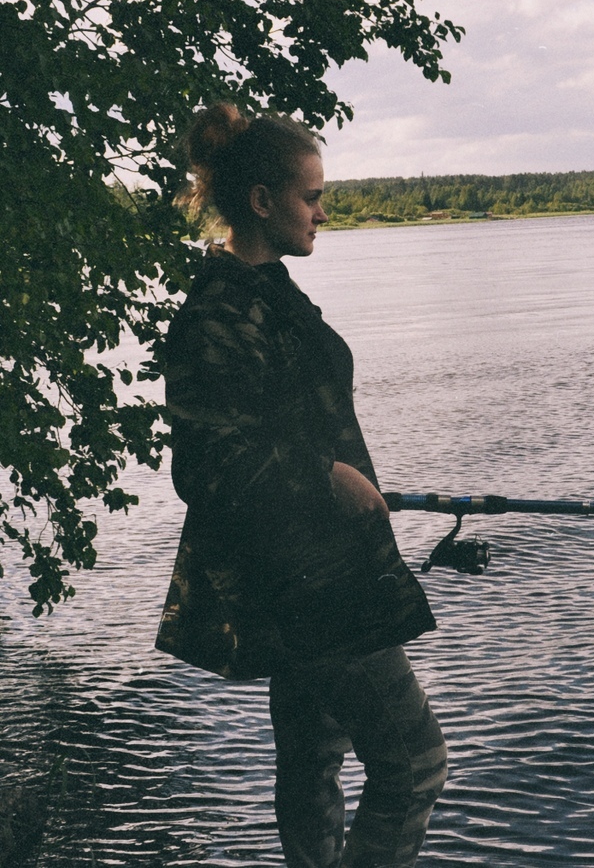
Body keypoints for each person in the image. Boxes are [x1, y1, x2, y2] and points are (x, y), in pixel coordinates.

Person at [155, 102, 447, 868]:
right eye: (310, 196)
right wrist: (324, 477)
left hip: (312, 575)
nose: (324, 211)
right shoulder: (217, 312)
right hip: (311, 586)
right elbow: (207, 466)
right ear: (261, 201)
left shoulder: (269, 293)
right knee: (414, 764)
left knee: (313, 766)